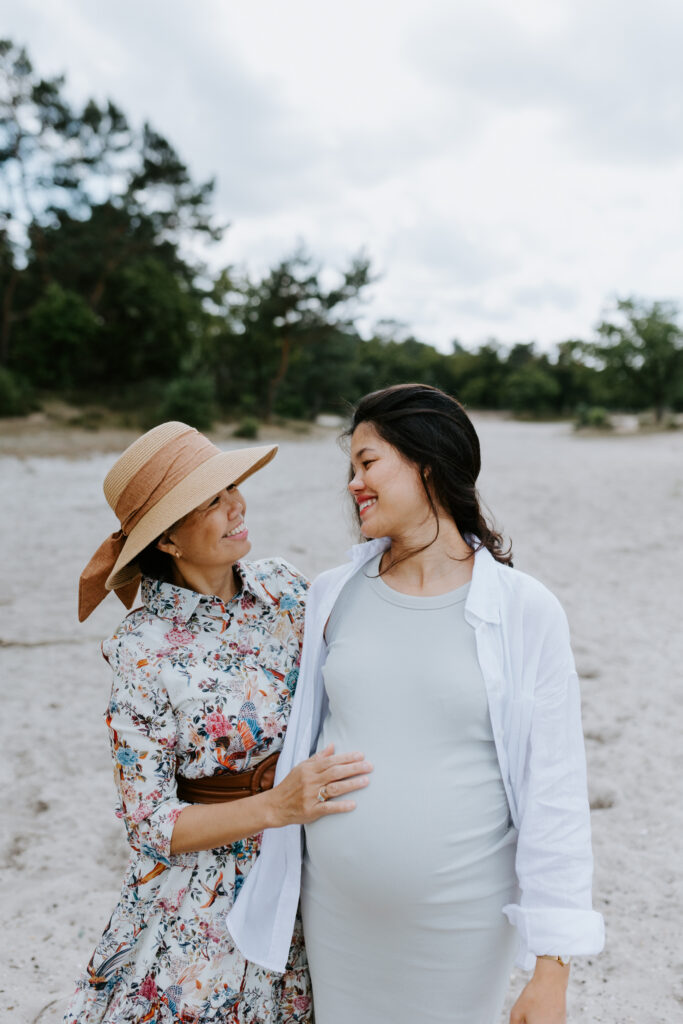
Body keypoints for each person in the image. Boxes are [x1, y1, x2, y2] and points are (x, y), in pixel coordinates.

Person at [227, 385, 605, 1024]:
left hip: (462, 924)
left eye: (368, 462)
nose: (353, 484)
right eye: (351, 468)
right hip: (335, 917)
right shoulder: (331, 595)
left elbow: (555, 790)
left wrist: (552, 971)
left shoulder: (523, 610)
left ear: (427, 462)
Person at [65, 420, 369, 1024]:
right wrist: (276, 808)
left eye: (232, 486)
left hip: (315, 859)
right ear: (169, 541)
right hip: (208, 888)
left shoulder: (284, 589)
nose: (237, 505)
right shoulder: (141, 647)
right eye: (212, 500)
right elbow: (149, 822)